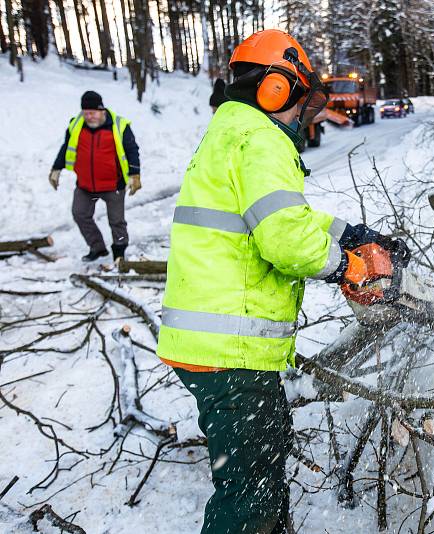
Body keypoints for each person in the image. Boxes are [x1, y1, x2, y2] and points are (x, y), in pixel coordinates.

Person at [156, 29, 409, 533]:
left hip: (216, 347)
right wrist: (350, 267)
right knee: (249, 492)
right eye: (299, 102)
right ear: (275, 89)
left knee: (260, 469)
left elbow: (283, 217)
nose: (301, 115)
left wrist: (355, 235)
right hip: (229, 350)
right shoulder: (261, 139)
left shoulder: (232, 132)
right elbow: (285, 239)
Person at [50, 91, 141, 262]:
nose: (89, 117)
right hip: (85, 185)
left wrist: (135, 174)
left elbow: (132, 150)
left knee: (116, 221)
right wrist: (56, 169)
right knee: (79, 214)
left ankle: (119, 254)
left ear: (102, 110)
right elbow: (66, 147)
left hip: (113, 185)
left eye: (92, 113)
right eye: (85, 113)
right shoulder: (76, 125)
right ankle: (97, 247)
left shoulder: (119, 126)